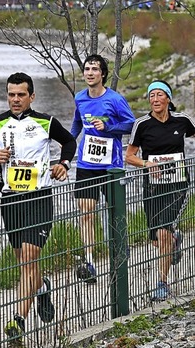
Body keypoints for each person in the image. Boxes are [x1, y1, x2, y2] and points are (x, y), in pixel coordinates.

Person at [0, 72, 77, 346]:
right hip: (10, 200)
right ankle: (42, 288)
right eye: (11, 94)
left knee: (30, 258)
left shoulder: (46, 122)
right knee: (24, 261)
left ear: (32, 96)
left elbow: (69, 142)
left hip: (39, 196)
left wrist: (63, 164)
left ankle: (18, 319)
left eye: (21, 95)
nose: (15, 99)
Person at [125, 80, 195, 301]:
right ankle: (174, 238)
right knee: (156, 239)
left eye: (159, 95)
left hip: (177, 185)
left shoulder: (182, 121)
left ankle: (162, 283)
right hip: (153, 187)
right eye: (151, 95)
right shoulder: (142, 124)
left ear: (168, 98)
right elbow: (129, 156)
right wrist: (147, 164)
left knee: (163, 233)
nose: (155, 100)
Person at [71, 54, 135, 283]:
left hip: (110, 164)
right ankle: (89, 261)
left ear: (103, 74)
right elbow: (77, 124)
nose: (89, 73)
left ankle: (119, 253)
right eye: (87, 69)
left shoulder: (115, 99)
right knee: (86, 213)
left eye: (94, 69)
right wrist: (67, 151)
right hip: (86, 163)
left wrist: (108, 126)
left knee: (113, 211)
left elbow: (131, 125)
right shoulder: (80, 98)